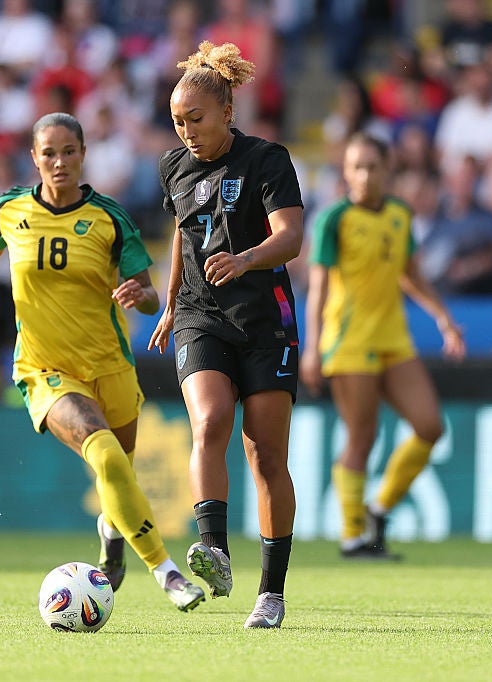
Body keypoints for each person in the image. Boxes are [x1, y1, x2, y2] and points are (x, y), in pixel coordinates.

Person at [0, 112, 206, 613]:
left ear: (83, 154)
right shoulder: (9, 210)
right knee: (107, 457)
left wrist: (141, 295)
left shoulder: (111, 219)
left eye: (68, 152)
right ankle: (167, 572)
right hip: (45, 369)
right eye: (49, 153)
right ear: (34, 158)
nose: (59, 162)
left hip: (109, 365)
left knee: (118, 477)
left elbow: (152, 296)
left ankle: (112, 532)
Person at [148, 41, 304, 629]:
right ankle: (214, 549)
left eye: (196, 118)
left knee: (265, 455)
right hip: (199, 313)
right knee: (210, 421)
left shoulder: (267, 160)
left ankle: (272, 592)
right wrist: (169, 306)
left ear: (227, 112)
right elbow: (182, 240)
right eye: (177, 121)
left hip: (266, 318)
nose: (186, 131)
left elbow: (291, 236)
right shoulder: (173, 167)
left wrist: (246, 259)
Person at [300, 132, 465, 561]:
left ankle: (379, 509)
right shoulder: (333, 218)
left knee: (430, 427)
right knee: (363, 436)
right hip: (349, 340)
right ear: (346, 172)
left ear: (387, 170)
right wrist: (312, 347)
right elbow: (317, 286)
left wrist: (443, 318)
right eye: (356, 167)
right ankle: (353, 535)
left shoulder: (399, 214)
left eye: (372, 166)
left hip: (393, 337)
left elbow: (410, 274)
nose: (365, 175)